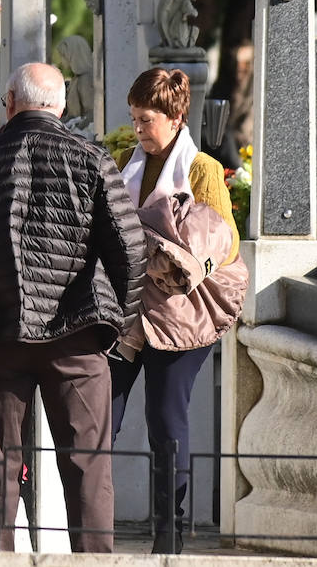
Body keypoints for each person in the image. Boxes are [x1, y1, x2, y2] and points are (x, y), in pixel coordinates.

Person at [0, 62, 147, 552]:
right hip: (77, 335)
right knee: (87, 465)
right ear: (62, 107)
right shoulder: (90, 160)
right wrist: (115, 326)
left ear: (9, 103)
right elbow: (131, 251)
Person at [110, 67, 243, 554]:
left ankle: (170, 538)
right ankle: (89, 529)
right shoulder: (126, 161)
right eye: (134, 119)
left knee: (167, 421)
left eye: (146, 119)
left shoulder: (202, 168)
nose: (138, 129)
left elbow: (222, 244)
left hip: (182, 317)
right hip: (129, 315)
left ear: (173, 116)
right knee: (101, 415)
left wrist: (184, 264)